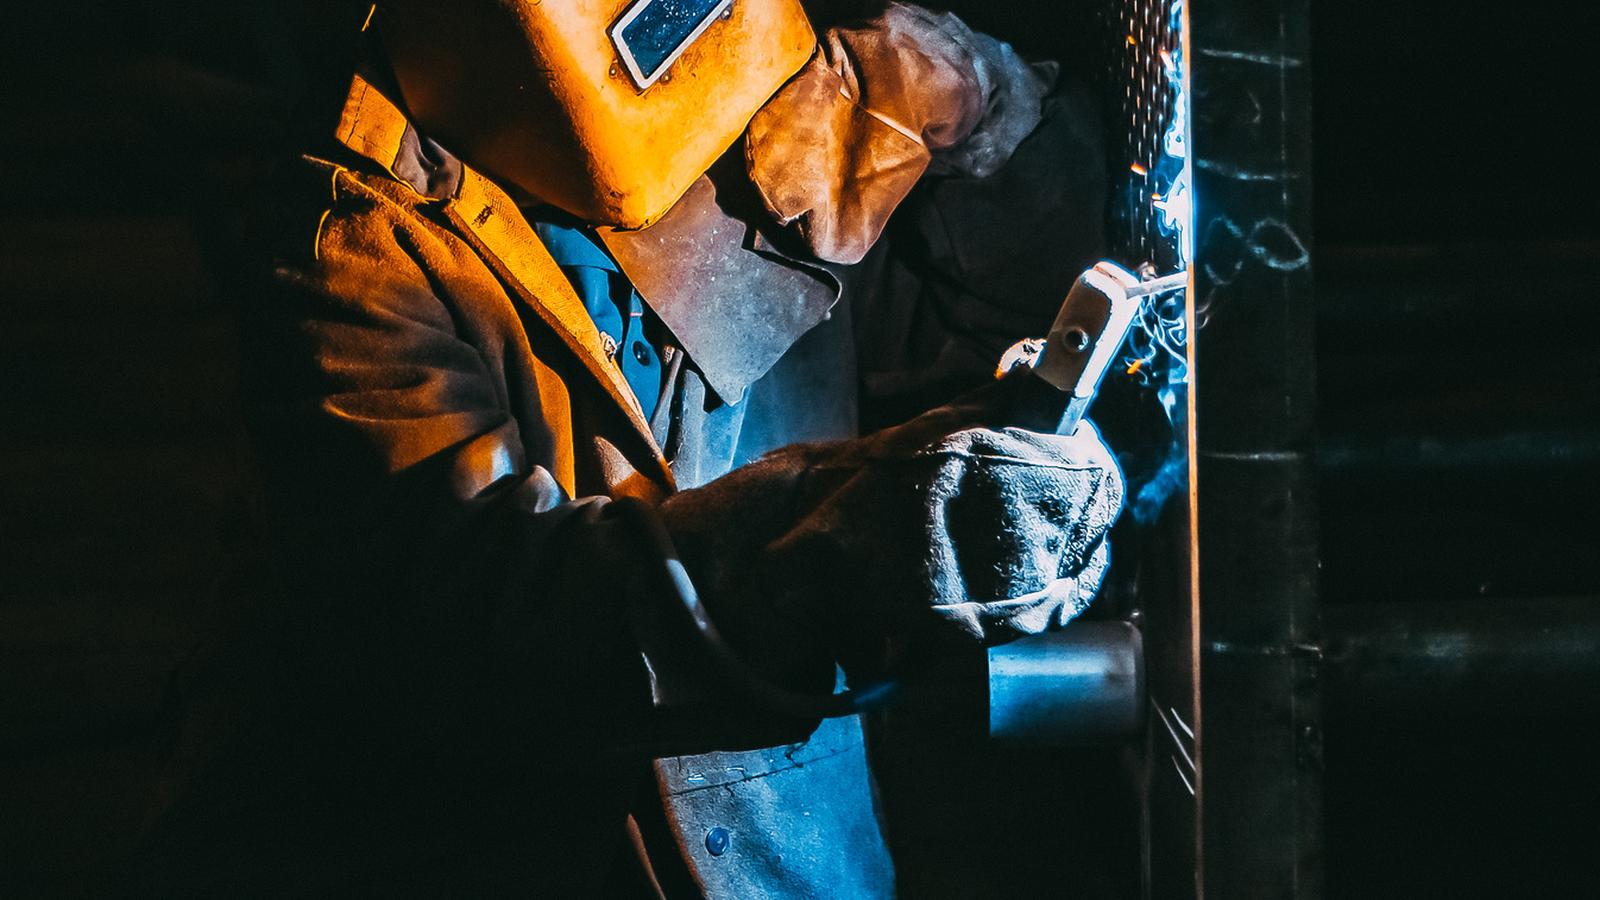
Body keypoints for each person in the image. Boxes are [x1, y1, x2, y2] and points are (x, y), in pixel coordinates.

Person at [139, 1, 1121, 895]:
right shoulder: (356, 247)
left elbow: (987, 326)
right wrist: (845, 533)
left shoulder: (754, 86)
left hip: (779, 852)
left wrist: (991, 124)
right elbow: (500, 613)